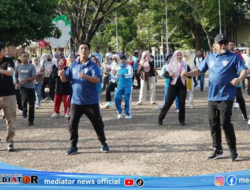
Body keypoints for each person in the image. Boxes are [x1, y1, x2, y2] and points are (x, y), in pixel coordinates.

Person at [181, 34, 247, 161]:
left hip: (226, 95)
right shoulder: (210, 57)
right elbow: (200, 70)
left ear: (228, 44)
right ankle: (218, 150)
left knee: (225, 122)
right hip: (212, 96)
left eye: (225, 42)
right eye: (220, 42)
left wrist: (239, 79)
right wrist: (188, 74)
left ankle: (233, 151)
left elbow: (244, 70)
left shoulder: (234, 57)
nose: (223, 44)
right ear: (215, 45)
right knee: (213, 123)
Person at [58, 42, 109, 155]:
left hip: (91, 100)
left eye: (86, 48)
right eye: (81, 49)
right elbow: (65, 79)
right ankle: (73, 146)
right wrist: (61, 75)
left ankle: (103, 143)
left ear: (89, 51)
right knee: (72, 124)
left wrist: (85, 76)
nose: (83, 50)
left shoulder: (93, 66)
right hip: (76, 101)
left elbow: (97, 80)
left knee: (97, 123)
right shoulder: (73, 66)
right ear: (77, 52)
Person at [158, 50, 191, 126]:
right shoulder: (170, 65)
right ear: (174, 56)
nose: (179, 56)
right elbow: (165, 75)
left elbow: (190, 76)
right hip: (173, 85)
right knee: (169, 102)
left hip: (182, 86)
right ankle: (160, 118)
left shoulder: (185, 65)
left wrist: (186, 74)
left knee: (182, 103)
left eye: (180, 55)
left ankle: (181, 120)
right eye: (177, 55)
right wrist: (170, 75)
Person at [0, 42, 16, 151]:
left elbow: (10, 73)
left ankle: (10, 141)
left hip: (9, 95)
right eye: (3, 49)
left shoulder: (9, 61)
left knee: (10, 120)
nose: (4, 51)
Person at [15, 52, 37, 126]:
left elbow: (34, 76)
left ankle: (31, 121)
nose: (25, 58)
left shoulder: (32, 66)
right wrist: (16, 82)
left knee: (31, 104)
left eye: (26, 56)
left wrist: (26, 79)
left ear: (28, 57)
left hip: (31, 86)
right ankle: (24, 109)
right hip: (22, 86)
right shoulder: (18, 67)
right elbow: (15, 76)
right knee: (24, 98)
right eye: (23, 56)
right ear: (21, 58)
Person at [111, 54, 133, 119]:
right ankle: (119, 112)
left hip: (128, 85)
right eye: (121, 59)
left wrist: (122, 75)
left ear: (126, 60)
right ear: (120, 60)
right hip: (120, 85)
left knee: (127, 99)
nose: (123, 60)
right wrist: (110, 75)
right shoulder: (118, 67)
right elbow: (116, 78)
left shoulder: (129, 67)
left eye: (124, 59)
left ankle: (128, 113)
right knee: (116, 98)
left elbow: (130, 75)